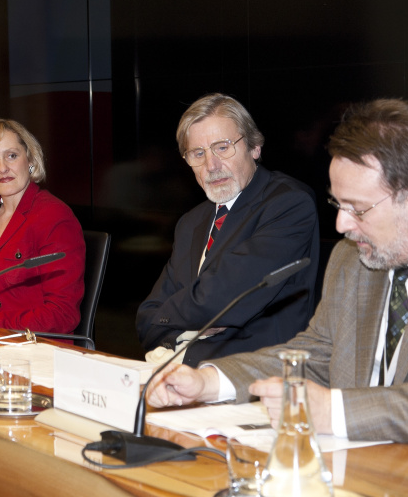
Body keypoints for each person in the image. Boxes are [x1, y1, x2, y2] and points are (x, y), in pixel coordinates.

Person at [146, 98, 408, 445]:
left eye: (358, 208)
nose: (342, 224)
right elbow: (317, 352)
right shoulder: (356, 258)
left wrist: (335, 411)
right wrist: (211, 382)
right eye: (338, 203)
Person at [136, 93, 320, 366]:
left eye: (222, 147)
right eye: (198, 153)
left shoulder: (288, 204)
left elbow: (221, 299)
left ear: (254, 147)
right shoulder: (191, 222)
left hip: (255, 377)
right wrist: (187, 323)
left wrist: (172, 319)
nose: (212, 165)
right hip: (183, 368)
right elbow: (146, 317)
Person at [0, 119, 85, 333]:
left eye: (11, 155)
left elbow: (62, 313)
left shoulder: (55, 217)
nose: (3, 168)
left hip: (32, 348)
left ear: (29, 158)